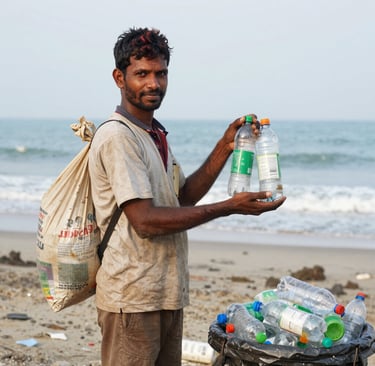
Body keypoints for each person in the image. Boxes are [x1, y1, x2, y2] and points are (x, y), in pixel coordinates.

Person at [88, 27, 286, 366]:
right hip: (131, 297)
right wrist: (229, 207)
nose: (153, 83)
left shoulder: (154, 134)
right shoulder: (118, 137)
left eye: (161, 73)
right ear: (119, 78)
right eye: (142, 74)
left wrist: (226, 146)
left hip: (164, 292)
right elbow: (146, 221)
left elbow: (180, 200)